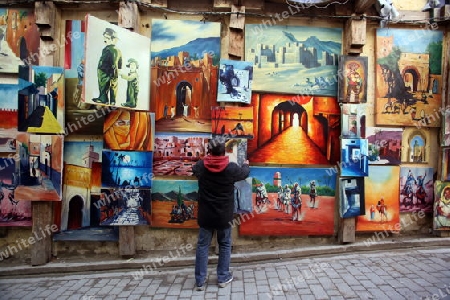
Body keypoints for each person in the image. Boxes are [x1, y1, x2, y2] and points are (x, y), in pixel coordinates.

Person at [192, 139, 250, 291]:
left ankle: (199, 281)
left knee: (203, 245)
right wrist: (246, 163)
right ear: (224, 152)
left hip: (206, 215)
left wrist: (205, 158)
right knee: (224, 244)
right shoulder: (231, 168)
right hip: (224, 216)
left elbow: (194, 169)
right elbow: (244, 173)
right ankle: (223, 277)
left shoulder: (201, 166)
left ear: (209, 152)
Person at [92, 28, 122, 106]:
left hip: (104, 71)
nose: (104, 40)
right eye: (104, 37)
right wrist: (117, 70)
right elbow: (120, 63)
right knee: (112, 86)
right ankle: (112, 101)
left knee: (104, 85)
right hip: (111, 71)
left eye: (107, 38)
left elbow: (115, 63)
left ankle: (104, 99)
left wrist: (113, 70)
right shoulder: (117, 50)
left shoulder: (109, 49)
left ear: (113, 39)